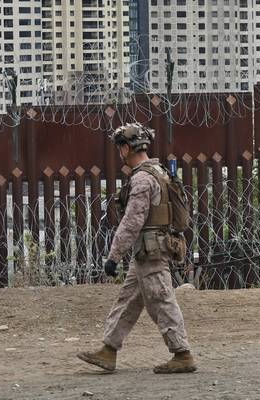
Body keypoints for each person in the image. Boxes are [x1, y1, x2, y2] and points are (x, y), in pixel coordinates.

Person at [77, 123, 196, 373]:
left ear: (126, 148)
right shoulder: (159, 170)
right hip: (149, 250)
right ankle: (109, 350)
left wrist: (113, 256)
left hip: (151, 250)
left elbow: (132, 221)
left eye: (120, 147)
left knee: (161, 299)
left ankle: (182, 354)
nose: (119, 152)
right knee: (129, 299)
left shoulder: (142, 179)